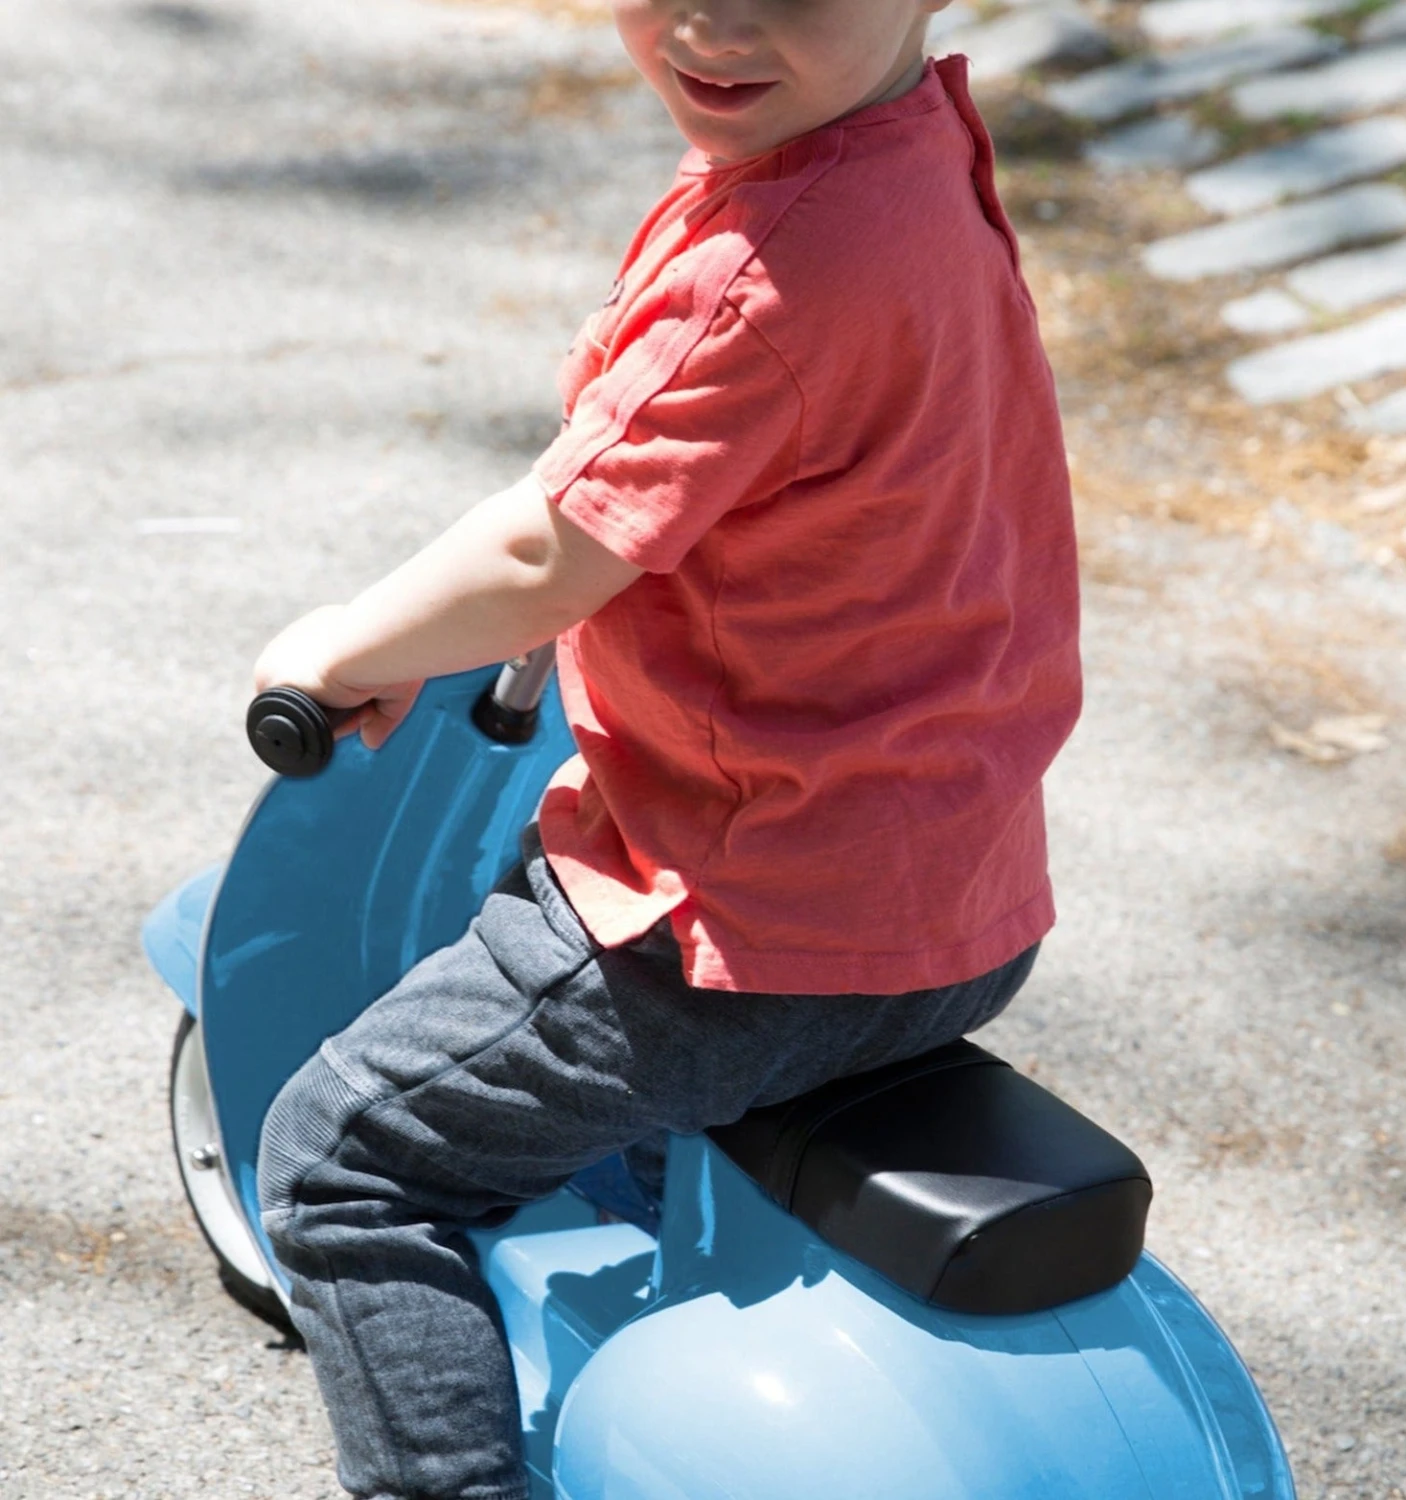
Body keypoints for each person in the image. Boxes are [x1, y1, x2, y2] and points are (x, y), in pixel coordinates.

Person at [253, 0, 1082, 1495]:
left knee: (340, 1167)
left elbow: (548, 551)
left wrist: (351, 644)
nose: (717, 21)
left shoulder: (763, 270)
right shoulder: (909, 153)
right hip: (954, 894)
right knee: (598, 1106)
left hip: (738, 926)